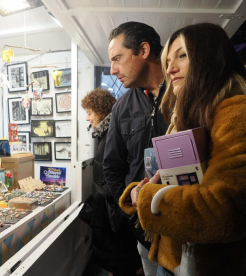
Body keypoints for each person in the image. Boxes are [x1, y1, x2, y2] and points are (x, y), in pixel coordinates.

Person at [119, 23, 246, 276]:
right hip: (174, 255)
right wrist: (140, 191)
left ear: (209, 57)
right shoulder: (185, 115)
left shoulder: (236, 112)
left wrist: (147, 198)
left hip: (205, 264)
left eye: (183, 55)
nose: (170, 68)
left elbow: (224, 208)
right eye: (168, 60)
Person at [103, 21, 169, 275]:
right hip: (143, 228)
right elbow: (112, 166)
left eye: (117, 58)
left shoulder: (185, 93)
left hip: (184, 224)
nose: (112, 69)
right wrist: (131, 213)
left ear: (143, 50)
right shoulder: (121, 107)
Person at [81, 88, 141, 276]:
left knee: (121, 263)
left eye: (89, 113)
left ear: (100, 110)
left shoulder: (110, 136)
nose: (87, 118)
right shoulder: (105, 134)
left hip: (114, 215)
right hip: (110, 213)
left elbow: (112, 176)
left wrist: (115, 208)